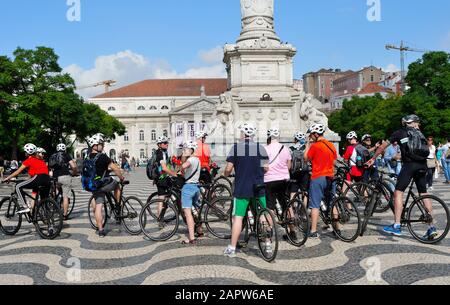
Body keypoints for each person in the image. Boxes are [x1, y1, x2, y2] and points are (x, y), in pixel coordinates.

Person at [367, 115, 437, 239]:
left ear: (404, 123)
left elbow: (383, 146)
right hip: (422, 165)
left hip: (409, 166)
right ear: (415, 123)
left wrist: (373, 158)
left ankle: (397, 225)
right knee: (424, 194)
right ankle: (431, 227)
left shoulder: (400, 132)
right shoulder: (420, 134)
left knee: (398, 192)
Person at [223, 123, 269, 258]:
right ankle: (268, 243)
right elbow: (266, 168)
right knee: (262, 215)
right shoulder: (260, 148)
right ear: (253, 135)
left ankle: (232, 248)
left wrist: (226, 174)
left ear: (243, 134)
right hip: (258, 187)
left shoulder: (236, 148)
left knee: (238, 218)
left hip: (242, 188)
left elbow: (229, 168)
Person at [87, 134, 125, 238]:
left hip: (94, 184)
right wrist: (121, 177)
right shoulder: (102, 156)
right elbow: (115, 168)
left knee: (99, 206)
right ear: (95, 146)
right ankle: (117, 206)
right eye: (101, 144)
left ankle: (101, 230)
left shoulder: (88, 157)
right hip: (104, 183)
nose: (103, 146)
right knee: (116, 185)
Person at [304, 124, 338, 239]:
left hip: (318, 176)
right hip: (330, 176)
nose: (311, 137)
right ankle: (337, 228)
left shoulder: (315, 146)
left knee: (315, 205)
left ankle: (313, 231)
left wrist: (308, 144)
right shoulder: (331, 145)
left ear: (315, 134)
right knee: (332, 202)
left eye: (311, 135)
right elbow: (334, 160)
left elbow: (306, 159)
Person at [2, 144, 51, 214]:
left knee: (18, 186)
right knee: (44, 200)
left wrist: (7, 178)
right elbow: (32, 175)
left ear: (27, 153)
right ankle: (45, 216)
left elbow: (18, 171)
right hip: (47, 180)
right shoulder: (41, 160)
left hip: (38, 178)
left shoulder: (29, 160)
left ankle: (24, 207)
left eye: (25, 152)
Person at [264, 128, 291, 215]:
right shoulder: (285, 148)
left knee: (270, 205)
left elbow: (265, 168)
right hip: (284, 179)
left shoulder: (264, 149)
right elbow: (289, 166)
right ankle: (292, 225)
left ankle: (271, 227)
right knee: (286, 203)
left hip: (270, 179)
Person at [179, 141, 201, 245]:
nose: (184, 151)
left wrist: (183, 156)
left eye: (185, 149)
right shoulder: (197, 159)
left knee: (187, 213)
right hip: (196, 187)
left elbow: (183, 166)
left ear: (190, 150)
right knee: (194, 210)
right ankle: (199, 230)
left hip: (188, 188)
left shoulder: (191, 159)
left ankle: (191, 238)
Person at [49, 143, 78, 220]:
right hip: (65, 176)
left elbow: (50, 167)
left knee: (57, 191)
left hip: (55, 178)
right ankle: (65, 214)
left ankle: (55, 204)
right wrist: (75, 173)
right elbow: (73, 166)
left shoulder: (53, 156)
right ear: (65, 149)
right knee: (66, 196)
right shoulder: (66, 155)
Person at [289, 132, 310, 200]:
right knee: (304, 191)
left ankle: (292, 208)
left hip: (294, 172)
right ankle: (303, 209)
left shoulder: (291, 148)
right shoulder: (305, 148)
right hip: (304, 172)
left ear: (295, 139)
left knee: (293, 191)